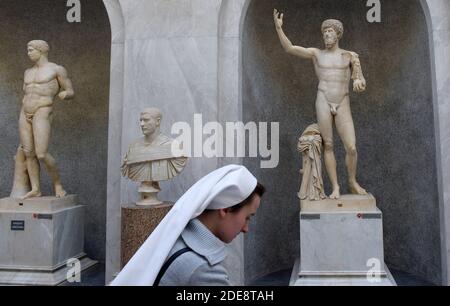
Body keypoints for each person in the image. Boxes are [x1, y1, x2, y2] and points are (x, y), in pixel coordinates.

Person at [110, 164, 265, 286]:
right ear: (225, 209)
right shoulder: (202, 269)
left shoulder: (176, 238)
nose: (246, 228)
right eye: (247, 217)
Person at [274, 11, 367, 199]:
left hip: (343, 101)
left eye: (330, 32)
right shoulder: (316, 54)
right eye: (324, 32)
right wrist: (278, 27)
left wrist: (358, 82)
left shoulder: (350, 56)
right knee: (329, 145)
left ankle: (352, 180)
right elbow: (290, 48)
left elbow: (360, 80)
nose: (326, 35)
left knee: (351, 147)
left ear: (338, 34)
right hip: (323, 98)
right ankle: (335, 187)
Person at [12, 40, 74, 199]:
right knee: (28, 153)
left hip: (43, 109)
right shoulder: (27, 72)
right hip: (24, 111)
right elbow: (27, 93)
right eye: (27, 50)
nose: (28, 53)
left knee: (41, 153)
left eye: (31, 50)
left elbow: (70, 90)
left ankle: (58, 184)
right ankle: (36, 189)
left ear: (41, 51)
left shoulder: (56, 69)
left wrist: (65, 94)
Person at [121, 107, 187, 205]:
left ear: (157, 121)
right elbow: (126, 167)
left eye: (146, 120)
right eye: (141, 120)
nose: (142, 124)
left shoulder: (173, 147)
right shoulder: (133, 147)